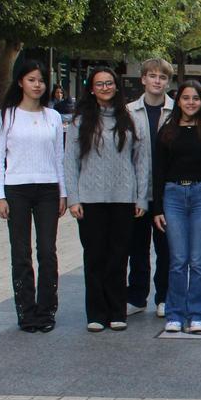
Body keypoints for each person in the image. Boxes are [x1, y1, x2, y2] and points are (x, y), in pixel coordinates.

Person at [65, 67, 149, 332]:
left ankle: (117, 311)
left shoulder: (130, 119)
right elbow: (70, 162)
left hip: (123, 199)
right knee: (94, 257)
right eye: (99, 84)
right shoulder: (80, 122)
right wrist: (73, 198)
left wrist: (141, 198)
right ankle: (96, 313)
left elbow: (141, 161)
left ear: (116, 86)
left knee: (119, 256)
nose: (105, 88)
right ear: (91, 89)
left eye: (109, 83)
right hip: (90, 199)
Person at [0, 61, 66, 333]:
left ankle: (46, 310)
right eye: (32, 79)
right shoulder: (6, 116)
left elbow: (59, 157)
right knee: (21, 253)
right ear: (20, 82)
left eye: (41, 80)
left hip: (48, 189)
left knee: (47, 251)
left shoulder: (52, 116)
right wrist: (0, 195)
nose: (37, 85)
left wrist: (63, 193)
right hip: (16, 189)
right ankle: (26, 312)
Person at [151, 81, 201, 334]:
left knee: (198, 260)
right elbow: (158, 171)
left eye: (195, 98)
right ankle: (175, 313)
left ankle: (197, 314)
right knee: (178, 260)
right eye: (185, 98)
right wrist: (157, 208)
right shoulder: (167, 132)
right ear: (178, 101)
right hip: (173, 196)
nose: (191, 103)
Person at [126, 58, 173, 318]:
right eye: (152, 76)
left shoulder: (176, 110)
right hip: (137, 190)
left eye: (162, 77)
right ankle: (136, 296)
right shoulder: (128, 112)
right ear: (143, 79)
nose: (157, 81)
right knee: (137, 247)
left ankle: (164, 296)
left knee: (165, 248)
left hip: (166, 191)